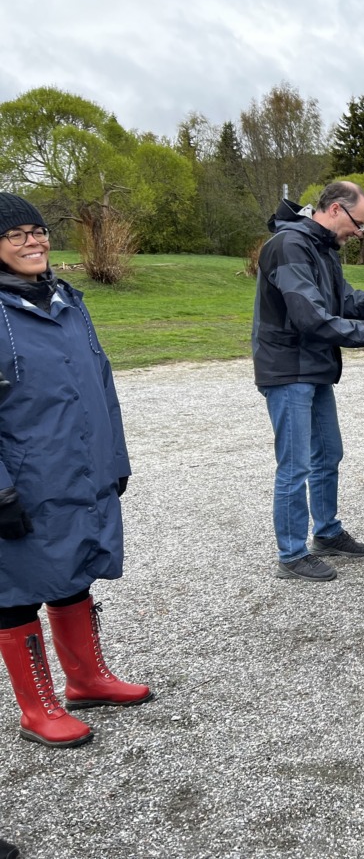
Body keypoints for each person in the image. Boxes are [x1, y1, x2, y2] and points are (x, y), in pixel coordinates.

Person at [0, 193, 152, 749]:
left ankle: (86, 680)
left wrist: (115, 459)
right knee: (14, 589)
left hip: (77, 472)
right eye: (16, 234)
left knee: (74, 571)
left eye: (37, 230)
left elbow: (101, 383)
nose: (33, 241)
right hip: (22, 480)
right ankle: (36, 708)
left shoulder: (67, 300)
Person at [252, 181, 364, 582]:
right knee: (295, 462)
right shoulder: (289, 245)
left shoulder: (321, 247)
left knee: (328, 453)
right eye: (358, 223)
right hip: (288, 370)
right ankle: (291, 553)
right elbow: (311, 317)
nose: (359, 232)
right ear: (335, 209)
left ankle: (327, 532)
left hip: (314, 368)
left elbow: (341, 301)